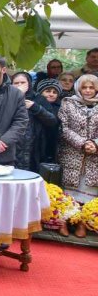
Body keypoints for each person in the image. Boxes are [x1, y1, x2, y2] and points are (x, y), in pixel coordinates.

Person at [57, 74, 98, 234]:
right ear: (78, 88)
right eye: (84, 87)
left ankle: (82, 222)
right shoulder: (68, 103)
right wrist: (82, 143)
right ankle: (63, 222)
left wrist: (95, 144)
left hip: (94, 156)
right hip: (71, 152)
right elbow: (63, 128)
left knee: (89, 188)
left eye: (91, 87)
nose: (87, 91)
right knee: (68, 189)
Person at [11, 72, 59, 171]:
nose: (20, 85)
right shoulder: (6, 98)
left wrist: (35, 108)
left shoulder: (38, 99)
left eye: (23, 82)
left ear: (29, 83)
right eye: (16, 83)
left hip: (34, 148)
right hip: (12, 146)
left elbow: (52, 121)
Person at [31, 81, 63, 168]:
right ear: (40, 92)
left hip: (52, 146)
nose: (51, 94)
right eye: (48, 91)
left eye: (54, 92)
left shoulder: (61, 107)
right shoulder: (32, 105)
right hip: (35, 145)